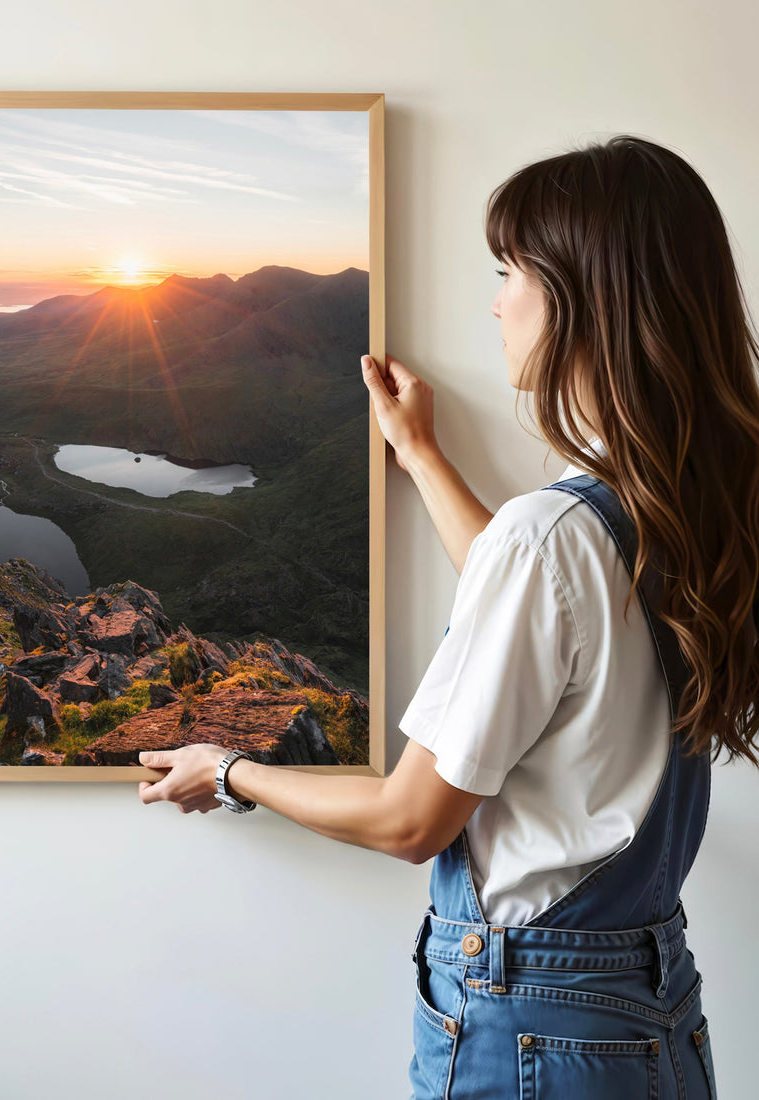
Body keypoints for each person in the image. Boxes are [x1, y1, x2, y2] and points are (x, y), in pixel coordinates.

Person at [136, 134, 759, 1098]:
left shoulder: (554, 534)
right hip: (646, 1010)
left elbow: (409, 819)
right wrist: (423, 456)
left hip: (532, 1026)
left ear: (584, 299)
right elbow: (548, 623)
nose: (497, 299)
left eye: (511, 271)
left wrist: (226, 771)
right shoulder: (680, 507)